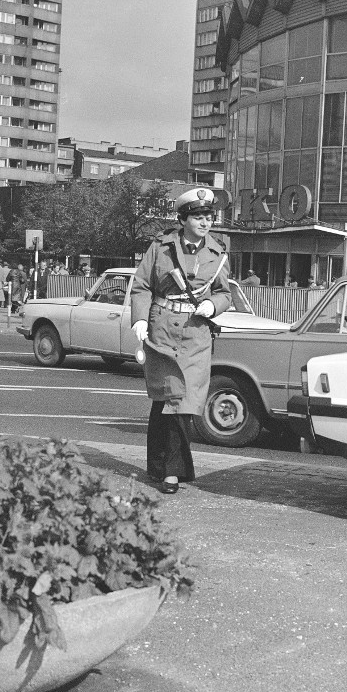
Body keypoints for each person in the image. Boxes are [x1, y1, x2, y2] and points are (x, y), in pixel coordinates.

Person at [130, 187, 232, 495]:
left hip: (195, 334)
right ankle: (159, 466)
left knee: (182, 402)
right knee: (164, 399)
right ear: (182, 219)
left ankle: (172, 472)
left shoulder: (218, 252)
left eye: (209, 217)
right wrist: (138, 319)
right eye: (198, 217)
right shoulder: (160, 247)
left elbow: (224, 293)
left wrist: (213, 306)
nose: (205, 222)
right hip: (162, 330)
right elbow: (142, 286)